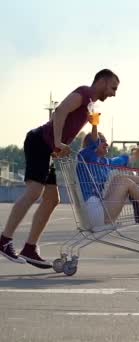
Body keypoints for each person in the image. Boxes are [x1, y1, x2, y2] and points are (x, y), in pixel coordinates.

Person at [0, 69, 120, 268]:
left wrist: (94, 125)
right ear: (102, 81)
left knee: (52, 199)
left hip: (49, 149)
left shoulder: (90, 103)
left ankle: (30, 248)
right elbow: (60, 111)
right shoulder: (83, 93)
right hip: (40, 141)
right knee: (34, 191)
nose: (114, 93)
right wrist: (57, 141)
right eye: (113, 88)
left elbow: (89, 138)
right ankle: (4, 240)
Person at [77, 127, 139, 228]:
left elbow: (119, 161)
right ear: (92, 145)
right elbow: (94, 141)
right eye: (102, 141)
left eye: (106, 141)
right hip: (95, 214)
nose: (106, 144)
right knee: (123, 181)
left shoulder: (104, 163)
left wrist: (134, 156)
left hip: (99, 210)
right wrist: (95, 125)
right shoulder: (84, 158)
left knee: (119, 178)